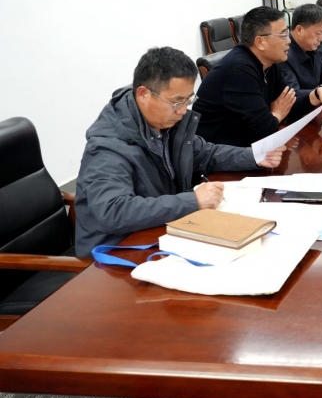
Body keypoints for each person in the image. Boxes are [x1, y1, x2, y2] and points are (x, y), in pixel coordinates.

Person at [74, 47, 284, 256]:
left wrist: (255, 156)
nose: (183, 110)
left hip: (159, 232)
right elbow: (113, 211)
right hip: (114, 252)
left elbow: (207, 153)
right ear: (143, 94)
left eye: (188, 100)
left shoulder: (167, 124)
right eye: (176, 102)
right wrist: (193, 201)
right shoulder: (108, 147)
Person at [194, 6, 322, 147]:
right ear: (260, 42)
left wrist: (316, 93)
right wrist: (277, 114)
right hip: (219, 154)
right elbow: (264, 127)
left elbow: (289, 102)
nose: (289, 41)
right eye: (283, 35)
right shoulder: (239, 69)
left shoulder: (270, 63)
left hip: (250, 145)